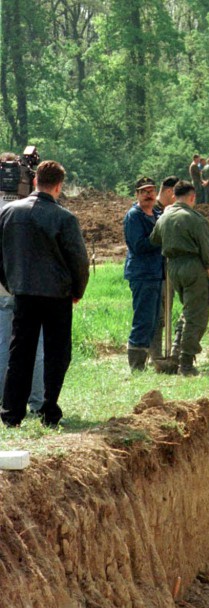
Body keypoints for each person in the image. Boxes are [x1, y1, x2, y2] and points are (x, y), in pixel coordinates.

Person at [0, 159, 89, 427]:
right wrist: (77, 290)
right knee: (56, 354)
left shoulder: (9, 213)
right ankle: (49, 411)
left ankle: (11, 414)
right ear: (59, 186)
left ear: (35, 180)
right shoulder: (64, 217)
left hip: (23, 293)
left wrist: (11, 282)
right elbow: (78, 261)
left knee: (20, 353)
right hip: (56, 295)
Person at [149, 180, 209, 376]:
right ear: (192, 197)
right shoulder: (196, 219)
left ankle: (177, 353)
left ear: (174, 196)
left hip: (173, 268)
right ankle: (186, 364)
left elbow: (154, 239)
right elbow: (207, 253)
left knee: (187, 311)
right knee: (197, 315)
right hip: (193, 267)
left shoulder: (164, 216)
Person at [0, 151, 44, 411]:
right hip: (30, 284)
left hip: (3, 285)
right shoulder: (34, 206)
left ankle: (5, 399)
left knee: (4, 342)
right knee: (35, 345)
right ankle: (37, 401)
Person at [123, 176, 164, 371]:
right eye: (144, 192)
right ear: (137, 194)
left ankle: (146, 360)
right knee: (143, 319)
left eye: (151, 191)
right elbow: (138, 245)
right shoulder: (134, 216)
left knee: (154, 319)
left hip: (156, 273)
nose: (149, 195)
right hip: (142, 274)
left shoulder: (157, 214)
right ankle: (136, 365)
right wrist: (160, 236)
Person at [149, 176, 180, 366]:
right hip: (154, 272)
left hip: (165, 271)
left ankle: (158, 353)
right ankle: (155, 355)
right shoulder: (152, 211)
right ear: (170, 192)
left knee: (164, 313)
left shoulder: (162, 210)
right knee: (157, 315)